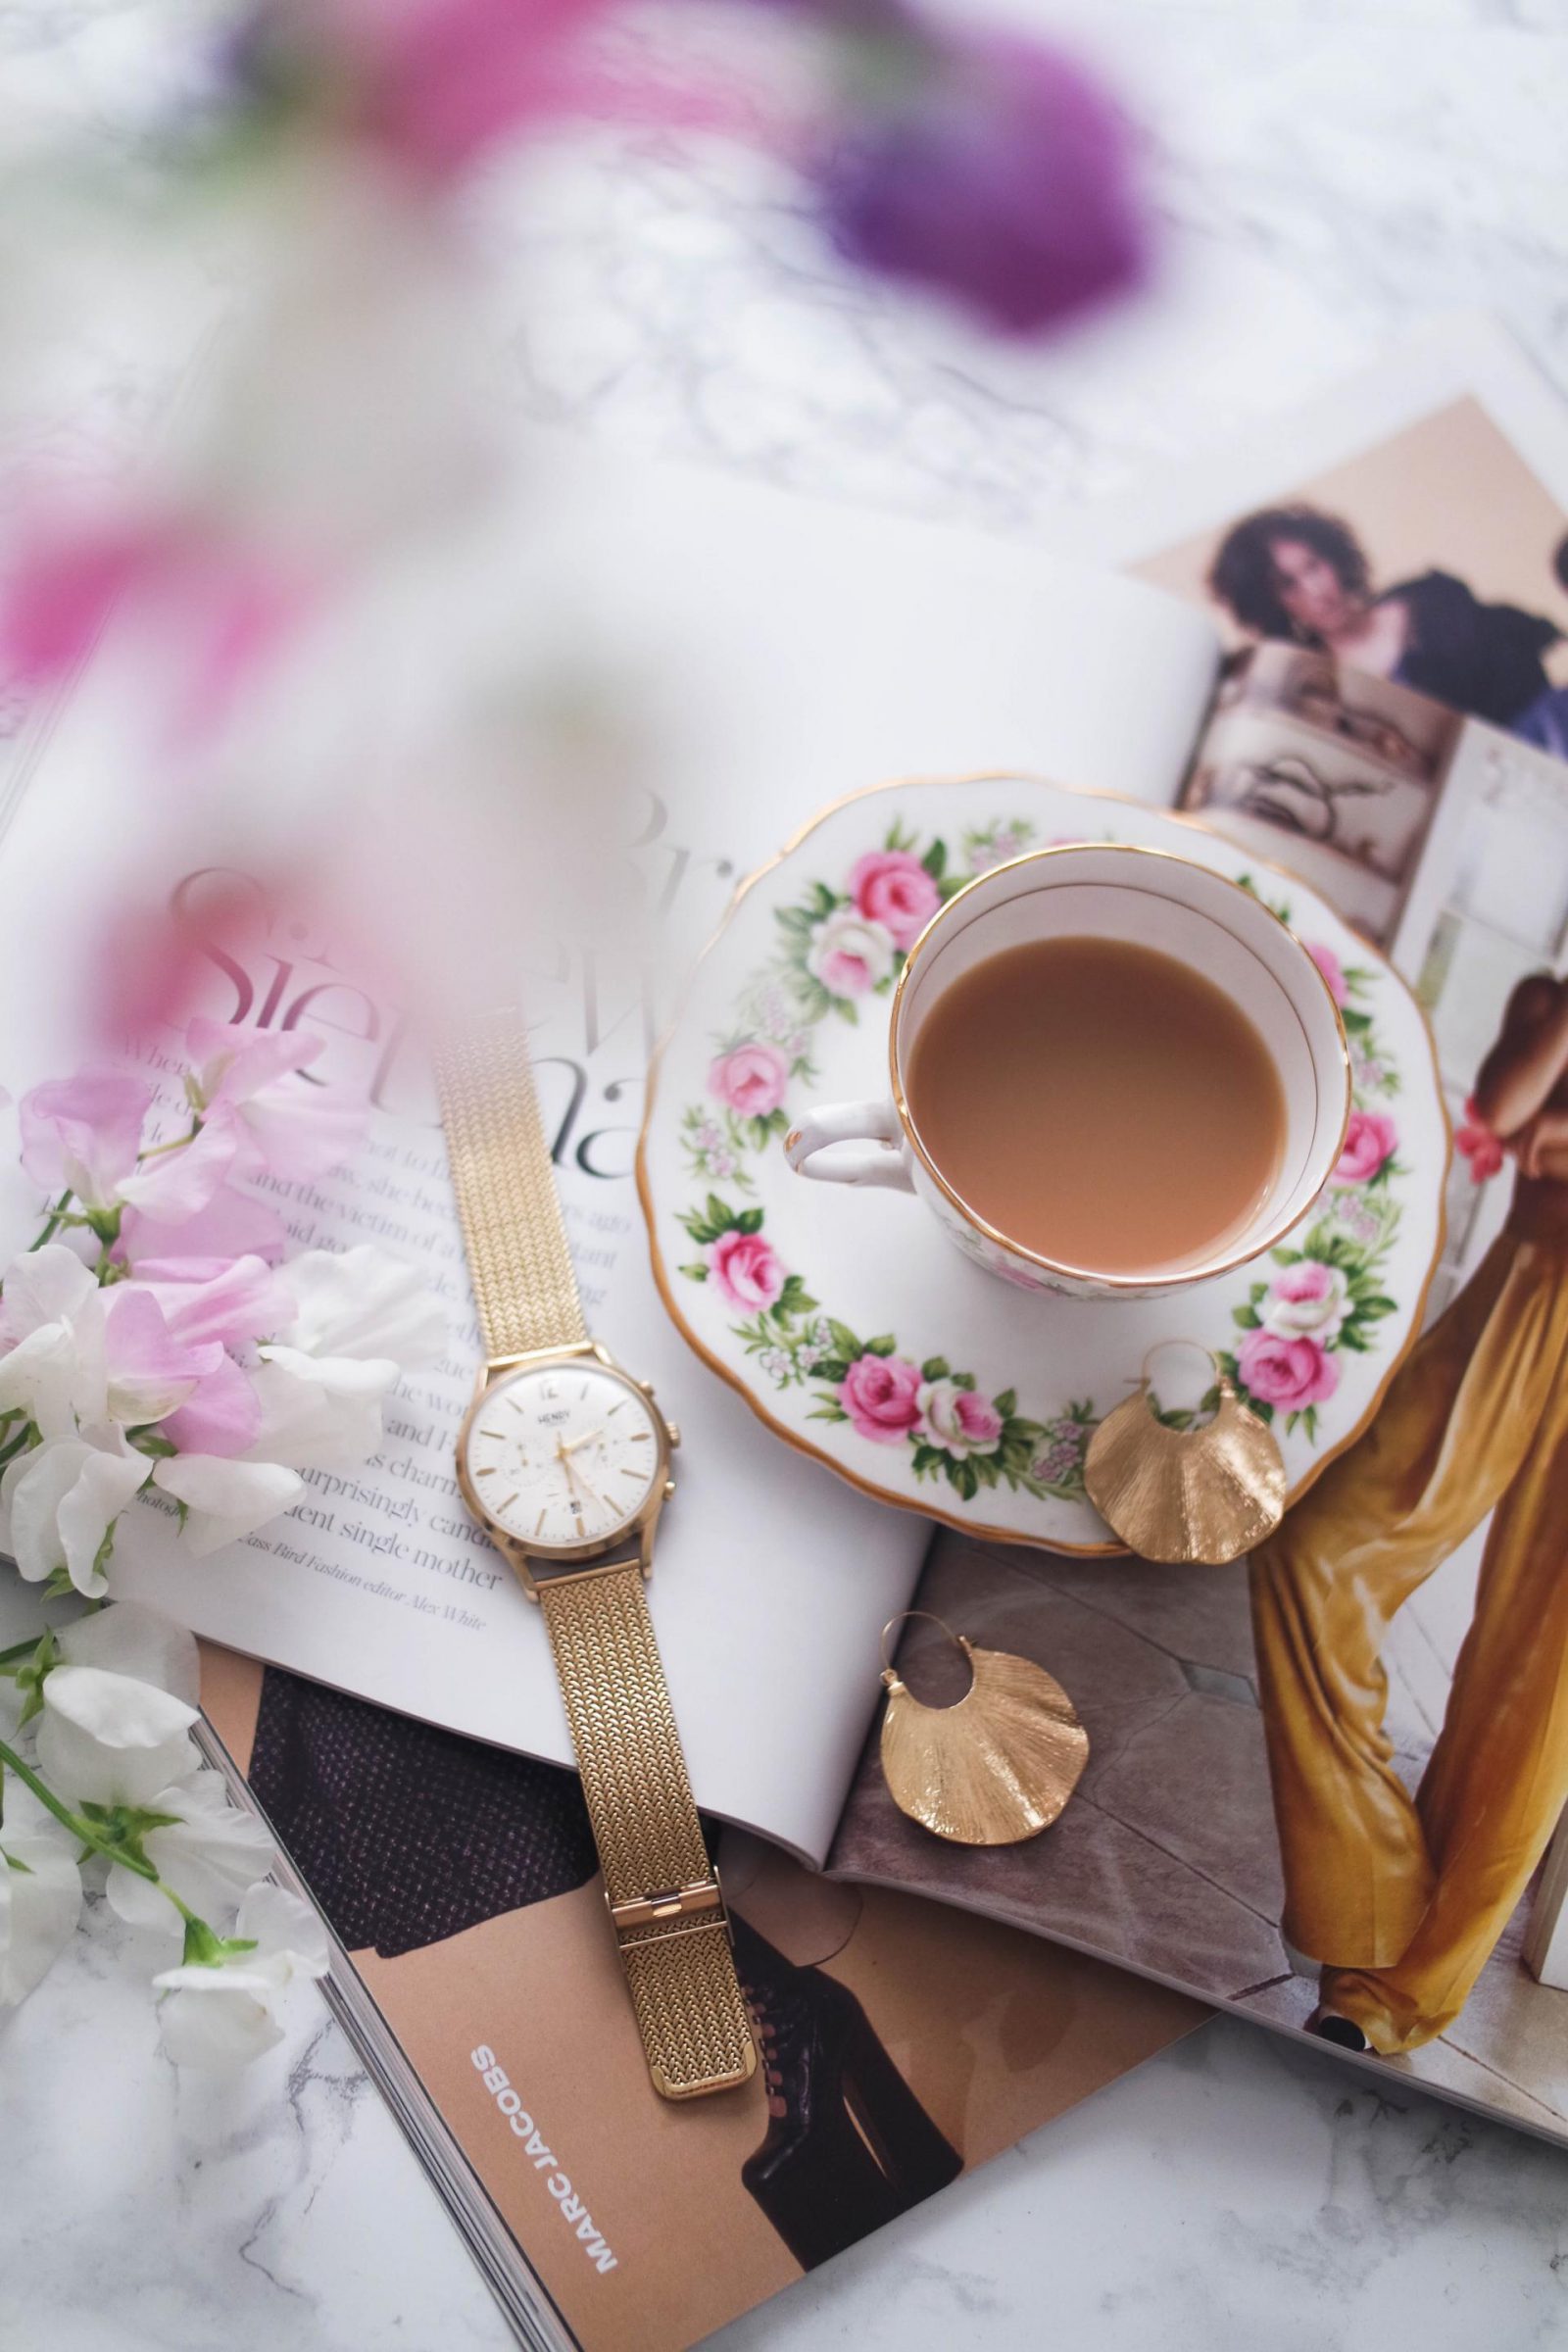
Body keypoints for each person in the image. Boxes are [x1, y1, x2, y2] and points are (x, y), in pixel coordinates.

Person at [1248, 971, 1568, 2054]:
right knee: (1314, 1553)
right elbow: (1503, 1113)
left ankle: (1386, 1996)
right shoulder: (1546, 1000)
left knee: (1534, 1694)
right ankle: (1376, 1887)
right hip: (1529, 1289)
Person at [1209, 504, 1560, 729]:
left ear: (1333, 558)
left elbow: (1533, 692)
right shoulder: (1314, 689)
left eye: (1313, 566)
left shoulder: (1434, 603)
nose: (1314, 590)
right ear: (1271, 604)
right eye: (1289, 584)